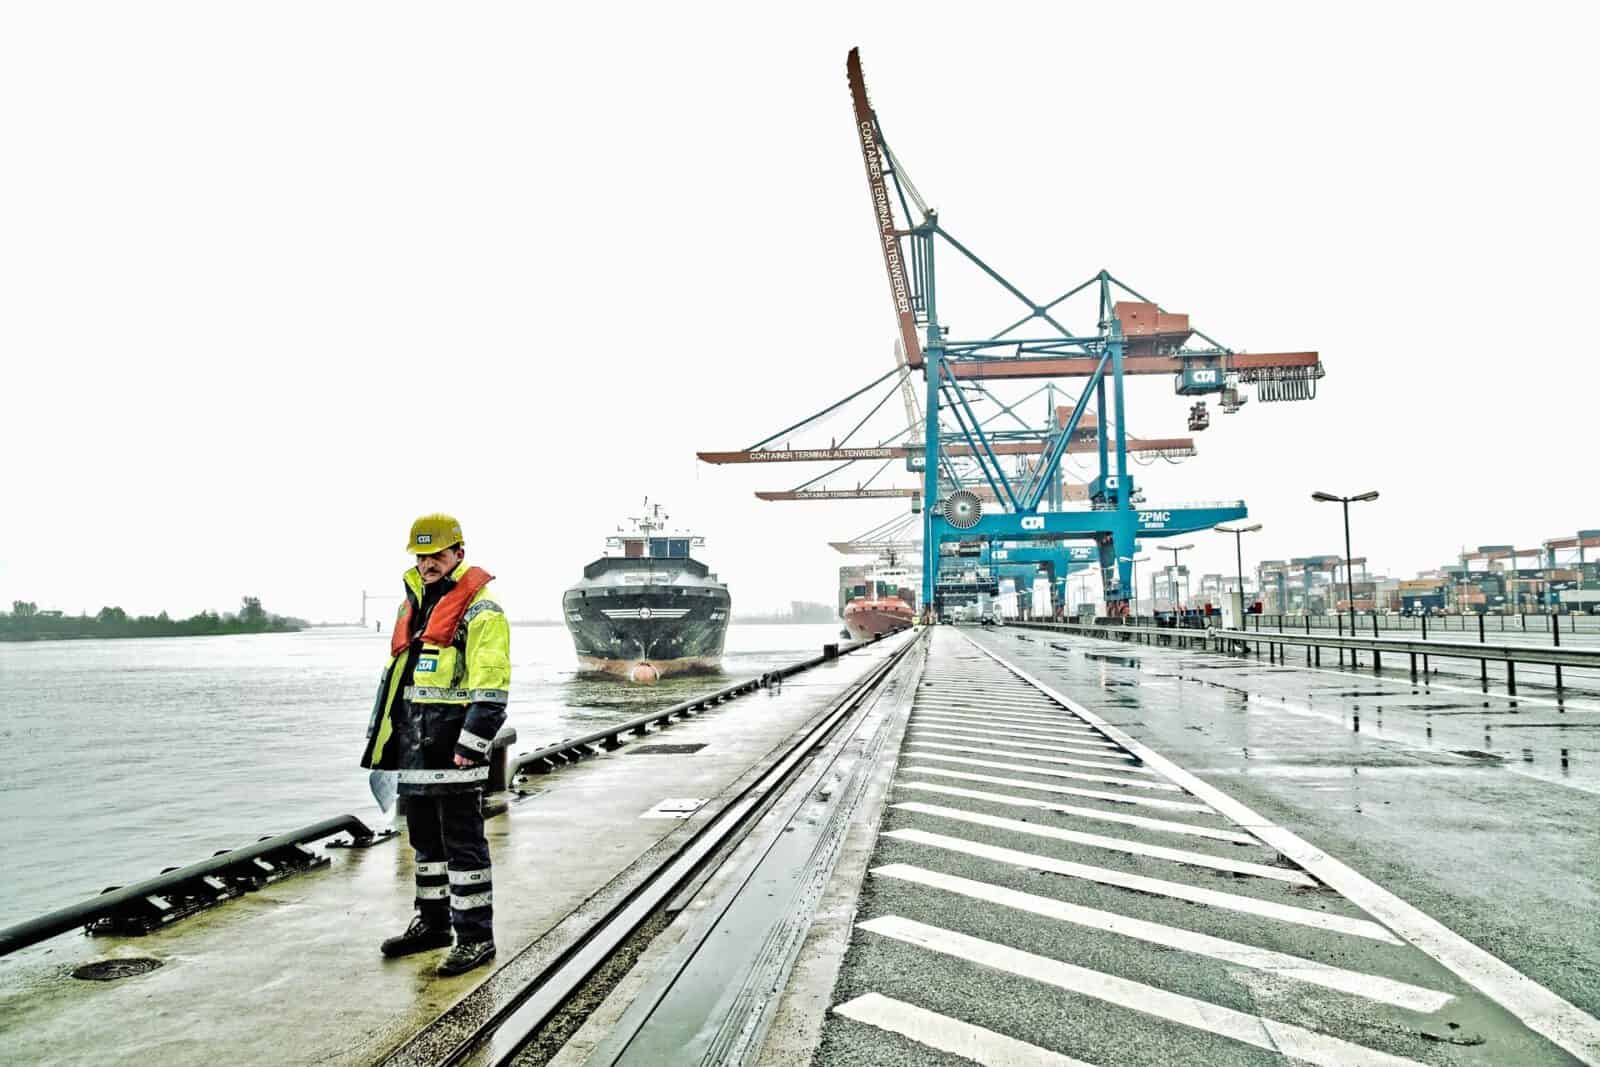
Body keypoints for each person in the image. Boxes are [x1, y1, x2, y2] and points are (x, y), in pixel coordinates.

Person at [359, 513, 511, 976]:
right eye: (422, 557)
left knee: (463, 848)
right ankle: (433, 924)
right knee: (423, 845)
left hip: (453, 754)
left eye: (437, 556)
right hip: (414, 752)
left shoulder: (482, 611)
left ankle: (475, 937)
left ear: (459, 554)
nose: (428, 564)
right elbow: (398, 682)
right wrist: (382, 741)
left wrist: (472, 744)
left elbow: (491, 687)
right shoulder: (415, 606)